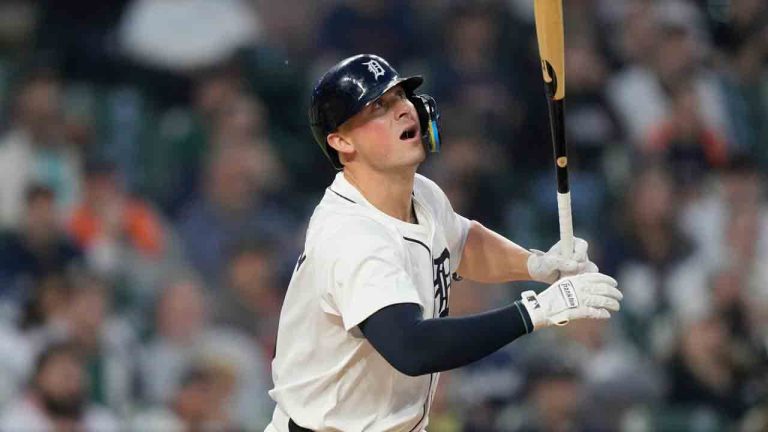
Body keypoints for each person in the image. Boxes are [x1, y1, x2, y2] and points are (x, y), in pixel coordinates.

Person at [266, 54, 623, 431]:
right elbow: (411, 347)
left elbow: (463, 241)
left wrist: (535, 265)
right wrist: (534, 312)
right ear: (341, 141)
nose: (403, 110)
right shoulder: (353, 235)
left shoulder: (420, 192)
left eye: (401, 96)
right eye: (378, 107)